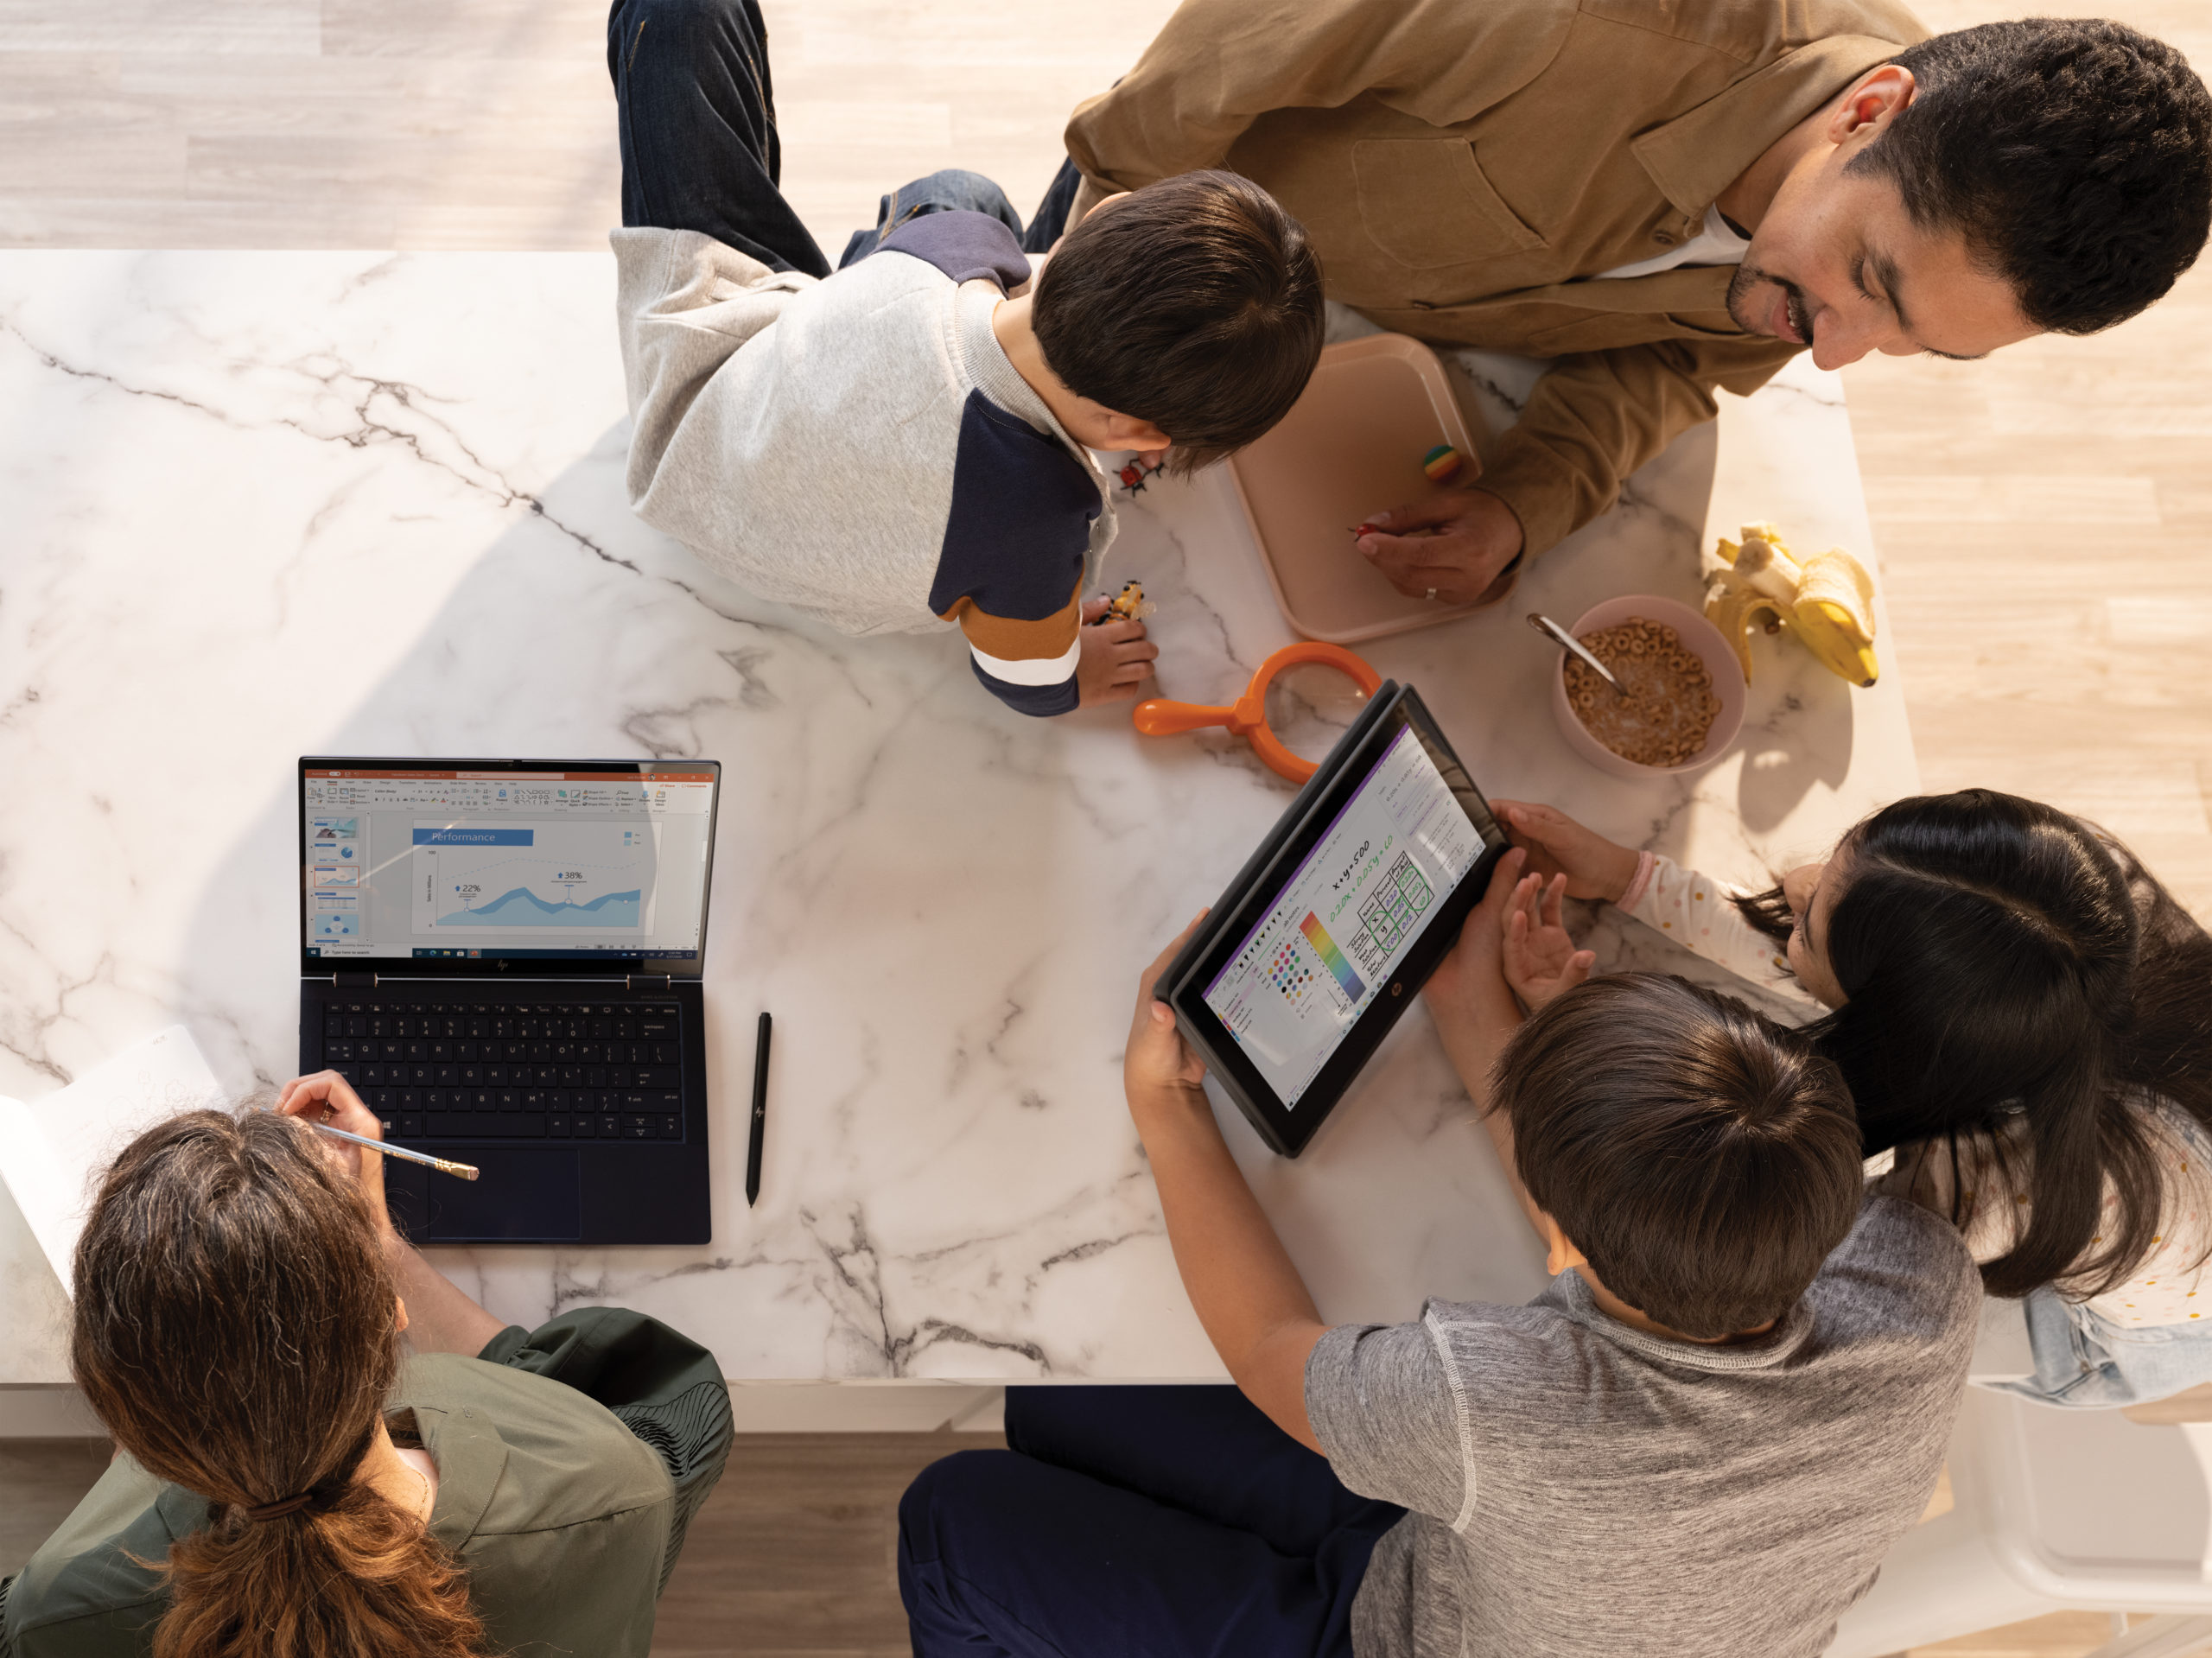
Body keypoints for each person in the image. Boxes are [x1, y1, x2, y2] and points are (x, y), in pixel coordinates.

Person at [895, 851, 1982, 1657]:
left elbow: (1272, 1344)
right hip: (1518, 1567)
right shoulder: (1919, 1282)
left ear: (1560, 1235)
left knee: (950, 1519)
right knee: (1058, 1405)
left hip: (1401, 1625)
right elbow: (1654, 1214)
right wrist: (1501, 1013)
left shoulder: (1498, 1403)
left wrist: (1165, 1104)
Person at [1039, 6, 2212, 608]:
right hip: (1159, 251)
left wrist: (1523, 503)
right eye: (1872, 282)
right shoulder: (1586, 25)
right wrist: (1100, 256)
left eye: (1914, 345)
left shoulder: (1828, 274)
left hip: (1347, 356)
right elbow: (1221, 65)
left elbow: (1673, 365)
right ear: (1873, 111)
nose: (1841, 356)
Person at [607, 0, 1325, 718]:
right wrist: (1073, 673)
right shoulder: (1039, 519)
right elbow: (1027, 682)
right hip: (718, 430)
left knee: (958, 190)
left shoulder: (955, 244)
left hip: (727, 391)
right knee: (961, 201)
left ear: (1101, 214)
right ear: (1138, 436)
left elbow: (966, 250)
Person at [1492, 788, 2212, 1408]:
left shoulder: (1958, 1194)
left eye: (1807, 924)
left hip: (2128, 1335)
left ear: (1889, 1042)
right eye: (1841, 856)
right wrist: (1626, 874)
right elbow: (1814, 958)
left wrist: (1574, 1031)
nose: (1798, 884)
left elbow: (1751, 1279)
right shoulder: (2050, 935)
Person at [0, 1075, 731, 1658]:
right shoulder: (609, 1491)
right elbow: (684, 1411)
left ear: (130, 1416)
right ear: (388, 1312)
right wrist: (382, 1242)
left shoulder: (58, 1613)